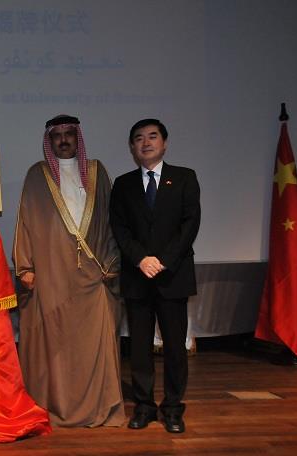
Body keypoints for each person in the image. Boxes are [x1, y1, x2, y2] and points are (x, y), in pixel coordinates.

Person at [13, 115, 125, 427]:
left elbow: (112, 221)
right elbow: (25, 221)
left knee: (93, 343)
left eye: (69, 134)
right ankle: (56, 403)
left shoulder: (97, 172)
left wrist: (112, 263)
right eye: (57, 135)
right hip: (52, 275)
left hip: (94, 275)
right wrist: (24, 267)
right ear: (49, 141)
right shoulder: (37, 175)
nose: (63, 140)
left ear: (78, 138)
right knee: (56, 345)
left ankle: (99, 405)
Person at [110, 118, 201, 433]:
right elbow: (119, 228)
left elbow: (190, 224)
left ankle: (173, 409)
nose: (146, 143)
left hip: (172, 276)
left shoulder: (185, 177)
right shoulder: (123, 184)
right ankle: (144, 407)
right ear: (132, 147)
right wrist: (141, 259)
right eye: (139, 138)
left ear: (164, 143)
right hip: (138, 277)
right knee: (139, 349)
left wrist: (163, 261)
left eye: (152, 136)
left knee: (175, 348)